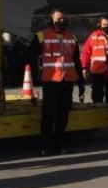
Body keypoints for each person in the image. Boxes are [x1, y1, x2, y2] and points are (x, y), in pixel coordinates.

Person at [26, 8, 82, 156]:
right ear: (51, 21)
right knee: (48, 114)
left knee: (63, 113)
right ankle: (46, 145)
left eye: (63, 19)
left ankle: (60, 143)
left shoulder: (72, 37)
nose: (62, 21)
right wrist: (34, 74)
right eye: (58, 19)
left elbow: (76, 60)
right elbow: (30, 55)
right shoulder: (41, 36)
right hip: (51, 80)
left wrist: (81, 81)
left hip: (67, 80)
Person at [80, 15, 108, 104]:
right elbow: (86, 52)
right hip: (98, 71)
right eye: (104, 24)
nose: (107, 26)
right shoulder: (94, 36)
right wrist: (84, 67)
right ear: (99, 25)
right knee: (97, 97)